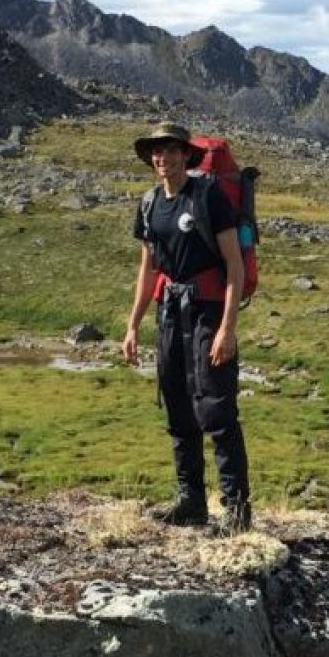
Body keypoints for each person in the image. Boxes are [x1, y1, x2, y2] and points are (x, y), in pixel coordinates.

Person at [123, 122, 252, 534]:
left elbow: (234, 265)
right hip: (169, 314)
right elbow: (148, 269)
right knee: (178, 408)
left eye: (172, 151)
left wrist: (226, 329)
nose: (164, 158)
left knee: (215, 409)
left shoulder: (208, 195)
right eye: (157, 152)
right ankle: (190, 502)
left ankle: (236, 512)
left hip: (208, 312)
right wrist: (132, 326)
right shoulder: (149, 204)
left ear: (186, 155)